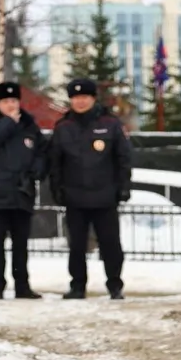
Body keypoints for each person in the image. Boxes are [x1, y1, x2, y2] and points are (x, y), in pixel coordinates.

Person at [49, 78, 132, 300]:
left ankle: (115, 284)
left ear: (93, 98)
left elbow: (123, 158)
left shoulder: (111, 124)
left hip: (105, 196)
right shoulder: (63, 127)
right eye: (76, 98)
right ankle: (77, 285)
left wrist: (123, 187)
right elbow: (55, 162)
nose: (80, 101)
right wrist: (56, 189)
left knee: (110, 244)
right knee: (76, 246)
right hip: (75, 197)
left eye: (85, 97)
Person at [0, 80, 47, 299]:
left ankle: (22, 286)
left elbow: (42, 151)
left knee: (21, 244)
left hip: (22, 192)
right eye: (5, 101)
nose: (11, 105)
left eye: (14, 100)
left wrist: (37, 170)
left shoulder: (29, 124)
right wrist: (8, 123)